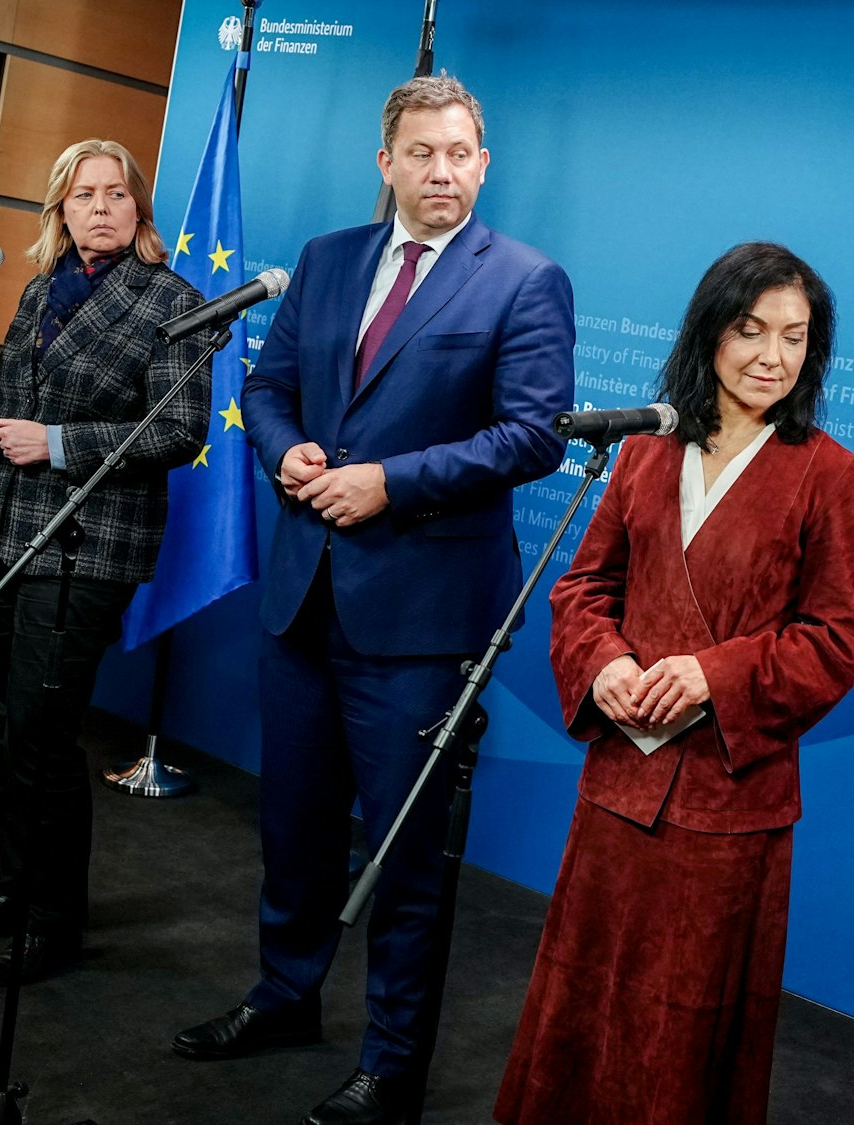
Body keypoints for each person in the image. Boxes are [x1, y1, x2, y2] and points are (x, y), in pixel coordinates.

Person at [170, 76, 575, 1125]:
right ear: (385, 162)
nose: (442, 172)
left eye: (460, 155)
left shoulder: (525, 281)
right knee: (294, 831)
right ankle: (283, 998)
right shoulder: (326, 259)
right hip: (303, 597)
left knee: (401, 861)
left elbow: (529, 436)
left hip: (422, 619)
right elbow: (265, 390)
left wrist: (388, 480)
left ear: (483, 165)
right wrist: (285, 450)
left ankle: (391, 1063)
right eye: (422, 153)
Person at [495, 242, 854, 1125]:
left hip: (728, 804)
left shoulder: (828, 473)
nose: (771, 356)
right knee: (583, 1005)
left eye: (793, 336)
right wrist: (606, 662)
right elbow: (585, 586)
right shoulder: (644, 451)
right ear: (710, 332)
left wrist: (713, 673)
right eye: (751, 330)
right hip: (619, 785)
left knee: (684, 1030)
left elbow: (840, 639)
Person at [0, 139, 207, 985]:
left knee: (47, 734)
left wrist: (51, 442)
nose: (99, 208)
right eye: (83, 195)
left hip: (89, 549)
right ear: (61, 209)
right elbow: (6, 392)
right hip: (1, 533)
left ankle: (56, 920)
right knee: (11, 728)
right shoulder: (39, 287)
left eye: (115, 195)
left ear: (139, 210)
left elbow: (176, 431)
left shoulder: (174, 300)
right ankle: (11, 891)